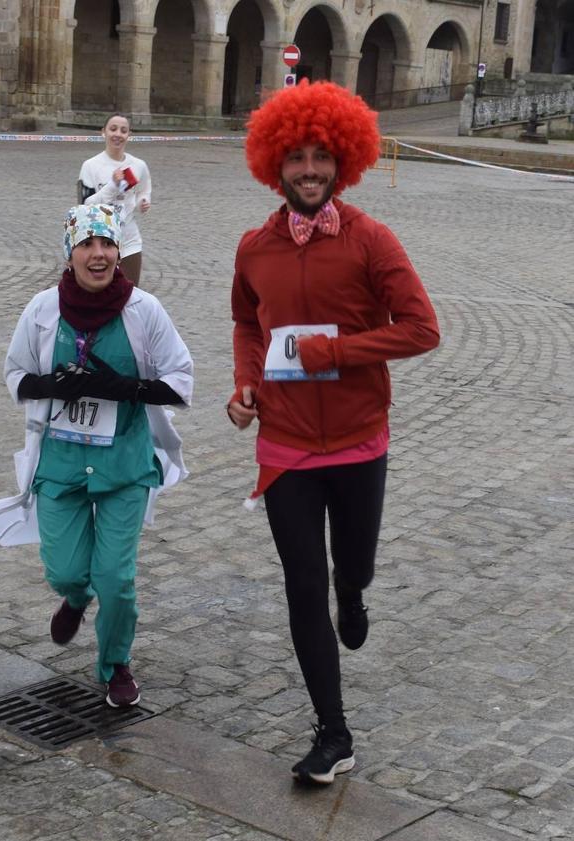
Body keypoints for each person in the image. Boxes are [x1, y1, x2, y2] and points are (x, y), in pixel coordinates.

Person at [227, 80, 440, 784]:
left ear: (341, 163)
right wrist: (245, 382)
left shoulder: (370, 239)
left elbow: (421, 328)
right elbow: (244, 322)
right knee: (300, 584)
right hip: (284, 443)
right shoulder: (254, 248)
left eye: (322, 157)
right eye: (296, 159)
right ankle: (332, 731)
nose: (309, 170)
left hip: (356, 439)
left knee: (353, 564)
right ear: (274, 166)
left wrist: (337, 352)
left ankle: (354, 589)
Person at [0, 204, 193, 708]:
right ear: (70, 252)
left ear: (119, 251)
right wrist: (49, 384)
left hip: (124, 464)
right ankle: (76, 598)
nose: (98, 254)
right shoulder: (41, 310)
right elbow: (15, 374)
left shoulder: (144, 311)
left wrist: (123, 388)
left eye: (107, 244)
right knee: (65, 570)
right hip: (59, 464)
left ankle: (115, 662)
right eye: (87, 244)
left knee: (116, 580)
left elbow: (181, 380)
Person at [78, 113, 151, 286]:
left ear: (129, 135)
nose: (118, 134)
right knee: (99, 294)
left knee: (130, 294)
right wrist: (113, 185)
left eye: (123, 131)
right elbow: (85, 205)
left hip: (130, 241)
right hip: (100, 242)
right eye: (113, 129)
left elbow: (144, 190)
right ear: (103, 132)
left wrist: (143, 202)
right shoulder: (90, 166)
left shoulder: (138, 165)